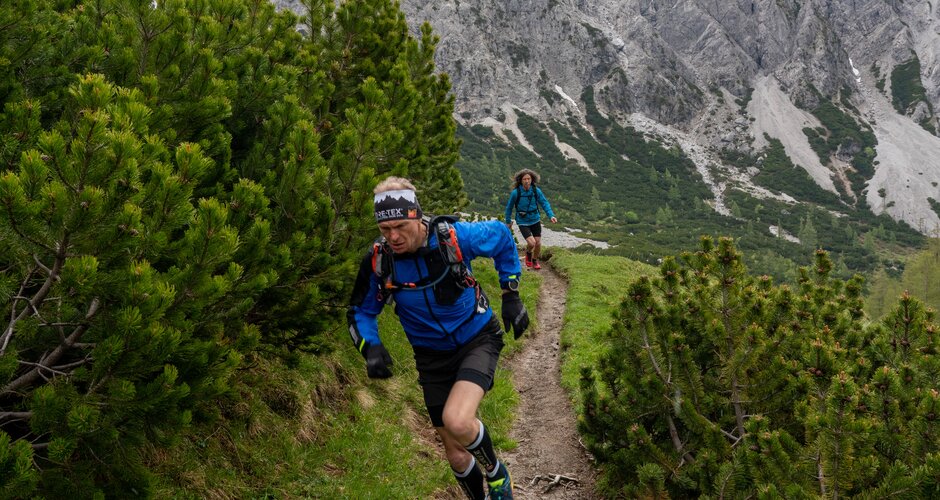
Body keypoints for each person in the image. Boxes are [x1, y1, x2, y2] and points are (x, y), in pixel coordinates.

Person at [347, 177, 530, 500]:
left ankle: (496, 474)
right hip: (430, 357)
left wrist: (510, 293)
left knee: (457, 420)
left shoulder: (453, 238)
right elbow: (360, 312)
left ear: (416, 214)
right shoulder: (379, 260)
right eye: (385, 228)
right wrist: (370, 347)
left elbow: (502, 237)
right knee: (456, 455)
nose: (393, 237)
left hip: (476, 339)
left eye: (400, 226)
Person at [504, 169, 557, 270]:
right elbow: (509, 207)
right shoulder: (516, 193)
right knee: (531, 243)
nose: (527, 181)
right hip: (523, 221)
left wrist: (551, 215)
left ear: (532, 180)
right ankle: (528, 253)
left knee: (538, 243)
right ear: (521, 180)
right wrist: (507, 221)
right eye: (524, 179)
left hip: (535, 219)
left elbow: (544, 203)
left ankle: (535, 260)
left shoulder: (536, 191)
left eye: (529, 179)